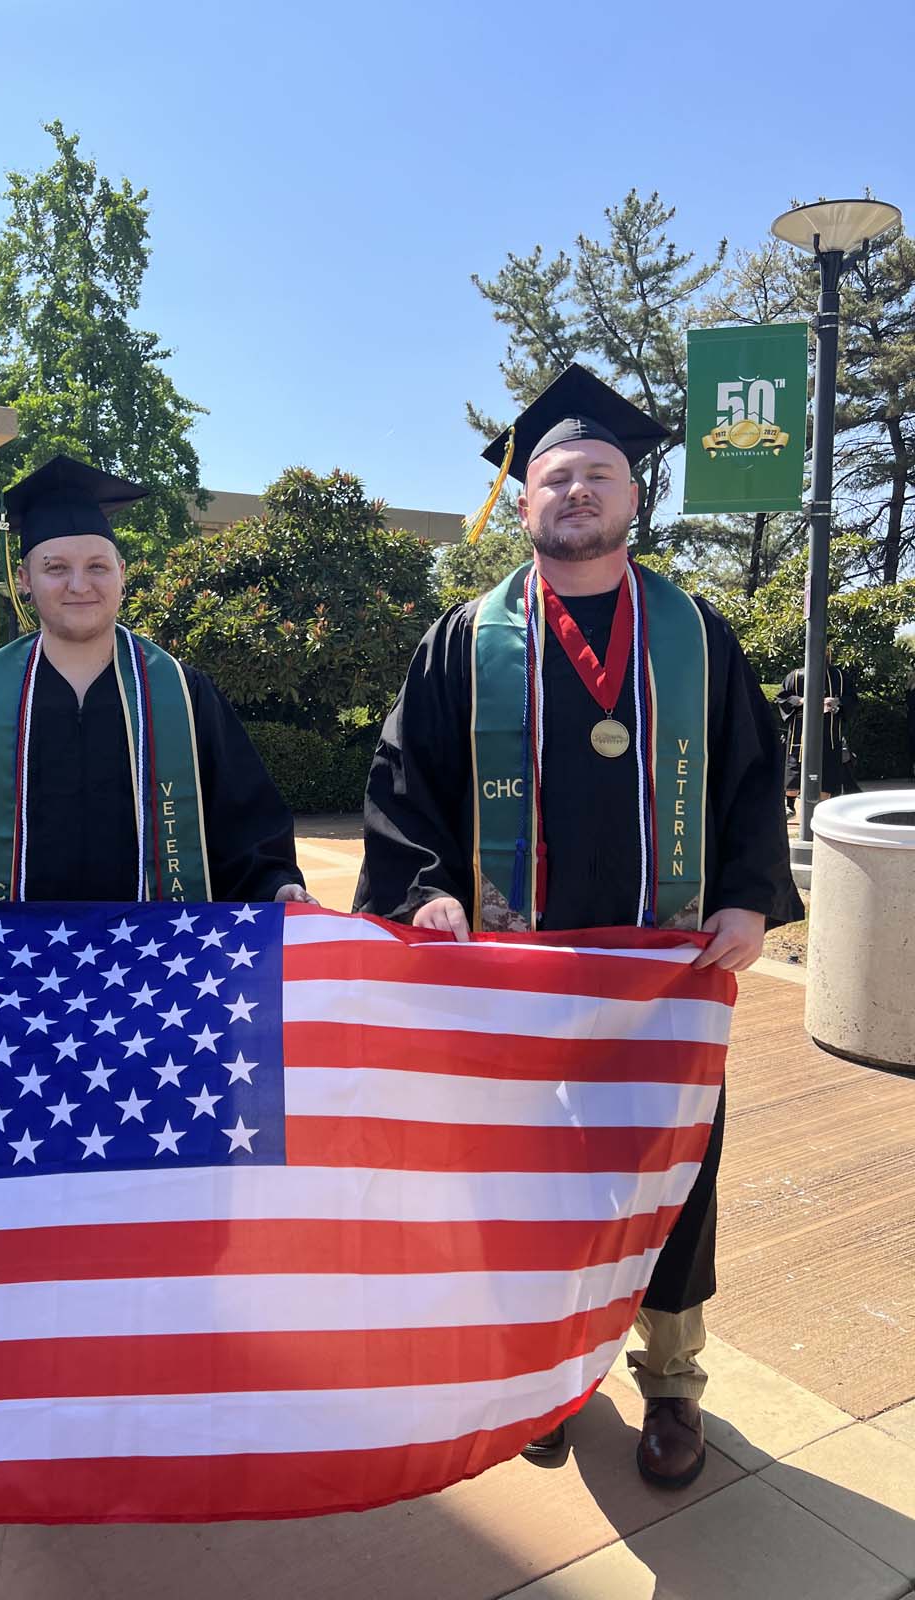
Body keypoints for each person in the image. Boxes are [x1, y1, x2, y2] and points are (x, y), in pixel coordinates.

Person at [355, 365, 801, 1489]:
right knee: (530, 1178)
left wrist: (749, 893)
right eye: (557, 477)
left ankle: (672, 1381)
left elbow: (752, 777)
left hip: (666, 976)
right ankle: (547, 1378)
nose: (579, 492)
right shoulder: (466, 640)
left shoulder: (695, 634)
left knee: (669, 1171)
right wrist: (421, 893)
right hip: (520, 981)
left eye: (601, 473)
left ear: (635, 497)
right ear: (525, 503)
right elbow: (406, 785)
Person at [0, 455, 312, 949]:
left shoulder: (183, 696)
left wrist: (277, 889)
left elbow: (245, 826)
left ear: (122, 573)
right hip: (9, 969)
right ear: (24, 579)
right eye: (56, 568)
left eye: (97, 566)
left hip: (158, 967)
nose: (79, 585)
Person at [776, 652, 860, 810]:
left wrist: (836, 702)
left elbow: (852, 699)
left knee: (827, 771)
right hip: (800, 732)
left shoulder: (840, 676)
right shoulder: (796, 676)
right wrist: (801, 701)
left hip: (829, 732)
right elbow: (782, 697)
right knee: (795, 767)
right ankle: (790, 806)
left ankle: (821, 808)